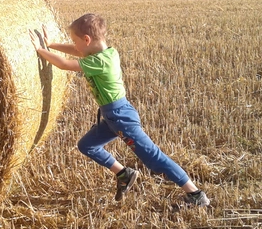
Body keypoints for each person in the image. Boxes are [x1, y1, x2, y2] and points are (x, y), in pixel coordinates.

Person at [29, 13, 210, 206]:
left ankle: (195, 194)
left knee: (153, 158)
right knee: (87, 146)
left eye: (75, 41)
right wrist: (51, 45)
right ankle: (124, 174)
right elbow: (76, 51)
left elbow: (64, 64)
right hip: (112, 117)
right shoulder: (107, 53)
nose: (74, 46)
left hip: (121, 117)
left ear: (87, 39)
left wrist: (39, 50)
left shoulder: (99, 62)